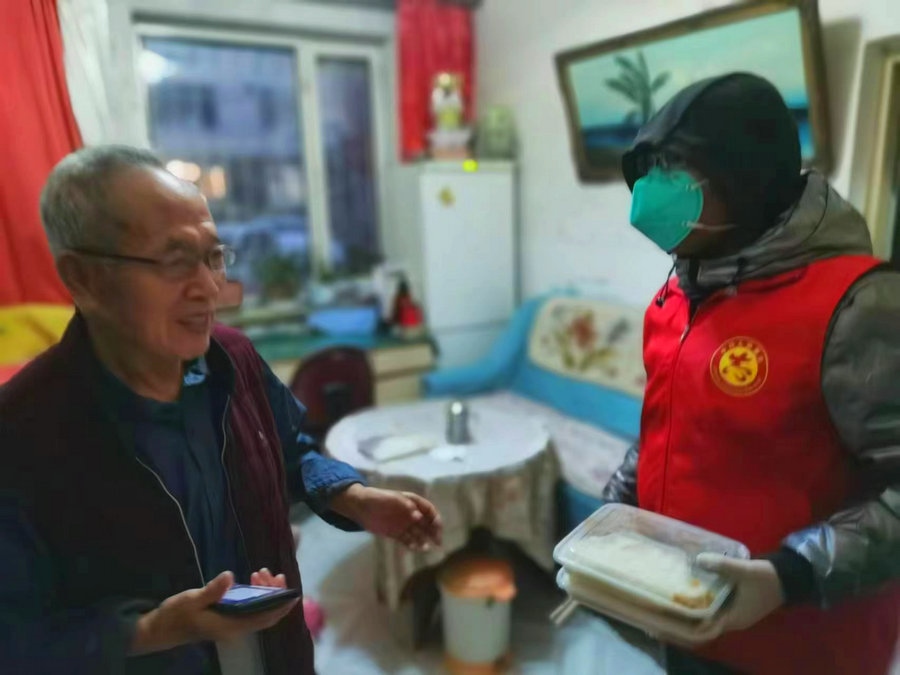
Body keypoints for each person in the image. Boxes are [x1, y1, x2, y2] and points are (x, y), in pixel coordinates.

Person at [0, 145, 442, 675]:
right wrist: (155, 631)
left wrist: (355, 498)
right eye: (174, 261)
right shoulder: (22, 435)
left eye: (213, 256)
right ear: (85, 280)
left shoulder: (233, 358)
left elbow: (290, 453)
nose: (210, 288)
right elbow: (16, 640)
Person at [602, 73, 900, 674]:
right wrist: (615, 507)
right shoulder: (677, 295)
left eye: (677, 169)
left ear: (746, 180)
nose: (655, 190)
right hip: (687, 614)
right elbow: (667, 425)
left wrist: (788, 575)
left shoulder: (857, 305)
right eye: (651, 167)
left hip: (802, 644)